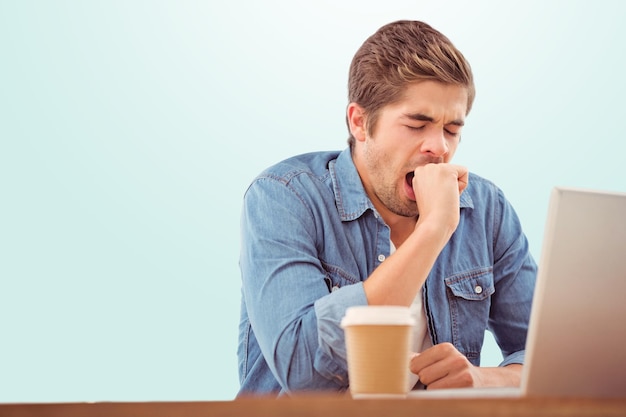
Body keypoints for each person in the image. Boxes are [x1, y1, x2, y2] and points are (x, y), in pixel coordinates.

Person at [237, 20, 536, 396]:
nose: (439, 147)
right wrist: (433, 230)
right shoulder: (283, 198)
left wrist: (482, 379)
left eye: (452, 130)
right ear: (360, 122)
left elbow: (553, 360)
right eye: (417, 124)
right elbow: (302, 371)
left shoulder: (487, 209)